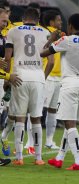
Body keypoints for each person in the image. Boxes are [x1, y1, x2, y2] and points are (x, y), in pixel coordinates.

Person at [41, 13, 79, 170]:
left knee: (69, 125)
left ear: (70, 25)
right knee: (70, 123)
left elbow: (43, 52)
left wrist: (52, 39)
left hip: (70, 84)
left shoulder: (66, 40)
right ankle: (60, 158)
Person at [5, 8, 54, 165]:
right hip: (38, 77)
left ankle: (19, 158)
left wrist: (7, 78)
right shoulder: (45, 32)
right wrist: (42, 78)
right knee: (36, 118)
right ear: (38, 19)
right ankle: (38, 158)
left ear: (23, 18)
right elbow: (51, 61)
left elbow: (7, 58)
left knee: (20, 117)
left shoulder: (13, 31)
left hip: (20, 76)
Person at [0, 8, 21, 166]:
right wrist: (8, 77)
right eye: (2, 20)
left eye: (6, 21)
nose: (5, 23)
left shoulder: (2, 37)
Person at [41, 9, 63, 149]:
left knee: (52, 110)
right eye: (58, 20)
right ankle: (30, 143)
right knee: (37, 110)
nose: (61, 22)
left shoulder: (60, 35)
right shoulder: (45, 34)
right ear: (51, 22)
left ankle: (49, 141)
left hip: (58, 78)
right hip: (46, 77)